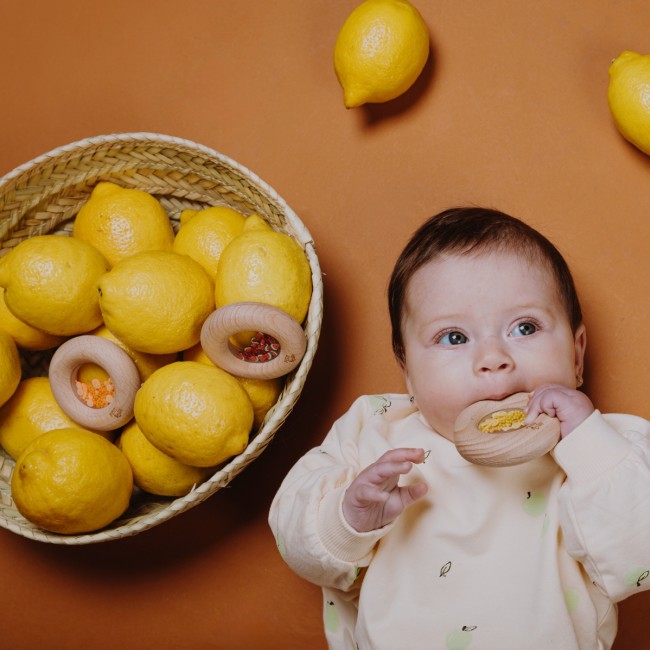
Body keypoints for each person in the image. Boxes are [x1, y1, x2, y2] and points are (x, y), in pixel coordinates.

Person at [268, 207, 650, 650]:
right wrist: (346, 518)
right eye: (454, 337)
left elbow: (639, 560)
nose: (492, 358)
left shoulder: (607, 450)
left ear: (577, 355)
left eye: (524, 327)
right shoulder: (375, 430)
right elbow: (299, 545)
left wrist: (588, 444)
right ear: (408, 371)